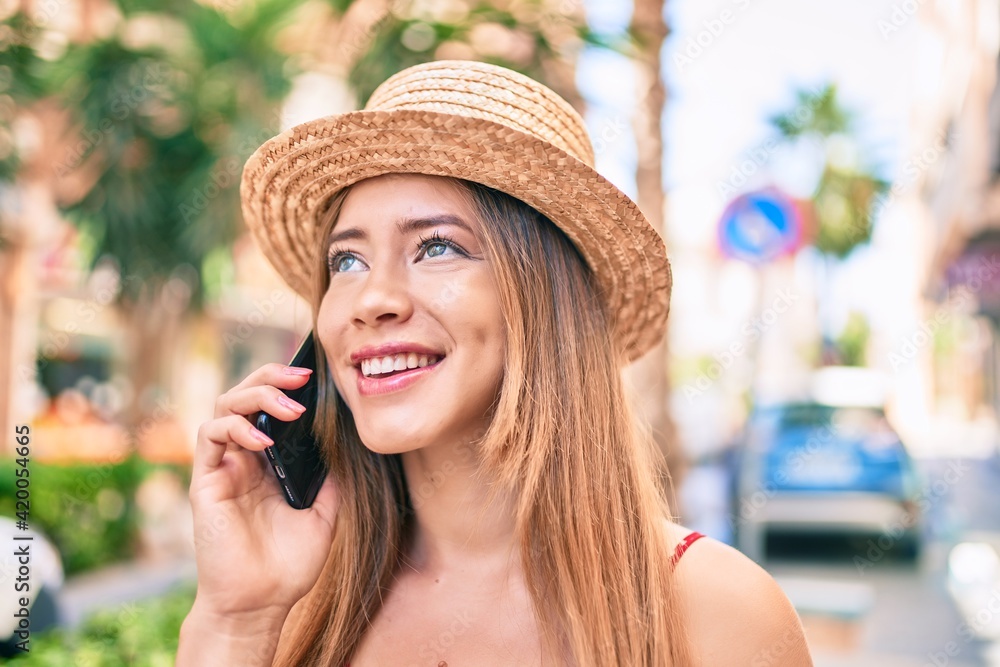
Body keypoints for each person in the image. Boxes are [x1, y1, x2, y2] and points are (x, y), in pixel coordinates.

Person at [177, 60, 812, 666]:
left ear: (544, 301)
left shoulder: (718, 612)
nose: (371, 301)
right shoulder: (297, 599)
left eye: (436, 247)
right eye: (347, 261)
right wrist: (236, 617)